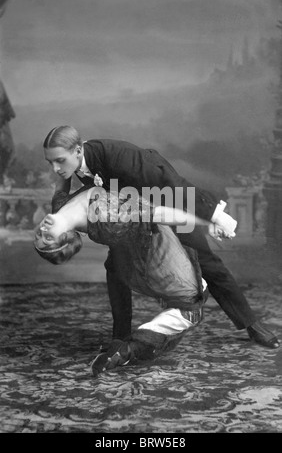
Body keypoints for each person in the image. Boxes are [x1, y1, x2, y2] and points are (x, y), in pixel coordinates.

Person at [42, 125, 280, 350]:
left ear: (79, 150)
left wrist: (214, 216)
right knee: (116, 268)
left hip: (167, 203)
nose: (56, 169)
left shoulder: (119, 157)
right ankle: (120, 337)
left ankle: (252, 324)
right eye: (50, 162)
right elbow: (65, 187)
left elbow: (173, 185)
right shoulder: (73, 162)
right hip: (132, 217)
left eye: (60, 161)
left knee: (208, 264)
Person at [34, 186, 211, 376]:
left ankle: (122, 339)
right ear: (65, 237)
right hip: (153, 250)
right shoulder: (105, 218)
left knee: (116, 266)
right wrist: (210, 221)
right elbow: (154, 213)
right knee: (192, 306)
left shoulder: (59, 205)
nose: (42, 230)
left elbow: (67, 171)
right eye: (48, 238)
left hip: (136, 244)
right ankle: (129, 349)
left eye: (39, 236)